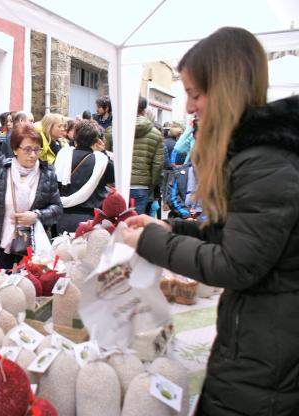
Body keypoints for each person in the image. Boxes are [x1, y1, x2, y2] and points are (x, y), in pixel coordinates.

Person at [122, 27, 299, 416]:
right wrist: (173, 228)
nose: (188, 108)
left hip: (267, 362)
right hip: (257, 343)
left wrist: (151, 243)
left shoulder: (267, 162)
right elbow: (235, 236)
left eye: (195, 94)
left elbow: (236, 263)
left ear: (226, 89)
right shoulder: (260, 157)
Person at [0, 125, 62, 269]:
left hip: (34, 247)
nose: (33, 154)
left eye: (37, 149)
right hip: (0, 245)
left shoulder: (47, 174)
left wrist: (37, 215)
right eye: (27, 149)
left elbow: (57, 209)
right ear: (15, 150)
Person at [105, 96, 164, 215]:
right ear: (144, 110)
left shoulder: (113, 130)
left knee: (114, 223)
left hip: (117, 184)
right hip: (141, 186)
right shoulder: (156, 134)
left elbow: (105, 156)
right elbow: (157, 165)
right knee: (134, 225)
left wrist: (109, 183)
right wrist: (150, 185)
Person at [54, 120, 114, 234]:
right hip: (90, 217)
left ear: (75, 137)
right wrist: (104, 151)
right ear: (96, 140)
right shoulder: (100, 160)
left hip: (63, 215)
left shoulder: (63, 155)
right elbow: (112, 178)